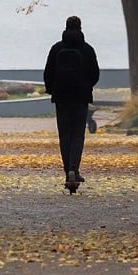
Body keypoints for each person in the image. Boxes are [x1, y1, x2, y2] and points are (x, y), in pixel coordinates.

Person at [43, 15, 101, 190]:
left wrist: (52, 89)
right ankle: (74, 169)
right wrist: (87, 86)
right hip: (81, 97)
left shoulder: (57, 48)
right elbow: (95, 74)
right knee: (77, 134)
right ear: (80, 27)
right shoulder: (87, 49)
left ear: (65, 27)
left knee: (64, 135)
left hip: (61, 98)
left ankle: (67, 169)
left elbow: (48, 72)